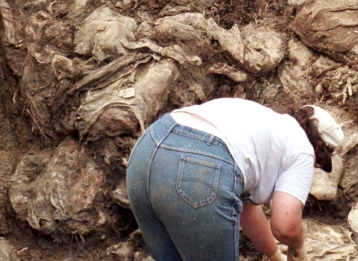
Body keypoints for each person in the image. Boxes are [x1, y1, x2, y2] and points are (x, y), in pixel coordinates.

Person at [127, 98, 344, 261]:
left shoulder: (263, 122)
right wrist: (299, 246)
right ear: (319, 147)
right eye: (318, 163)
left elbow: (247, 210)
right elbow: (285, 226)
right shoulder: (303, 148)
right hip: (197, 168)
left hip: (146, 151)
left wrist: (275, 255)